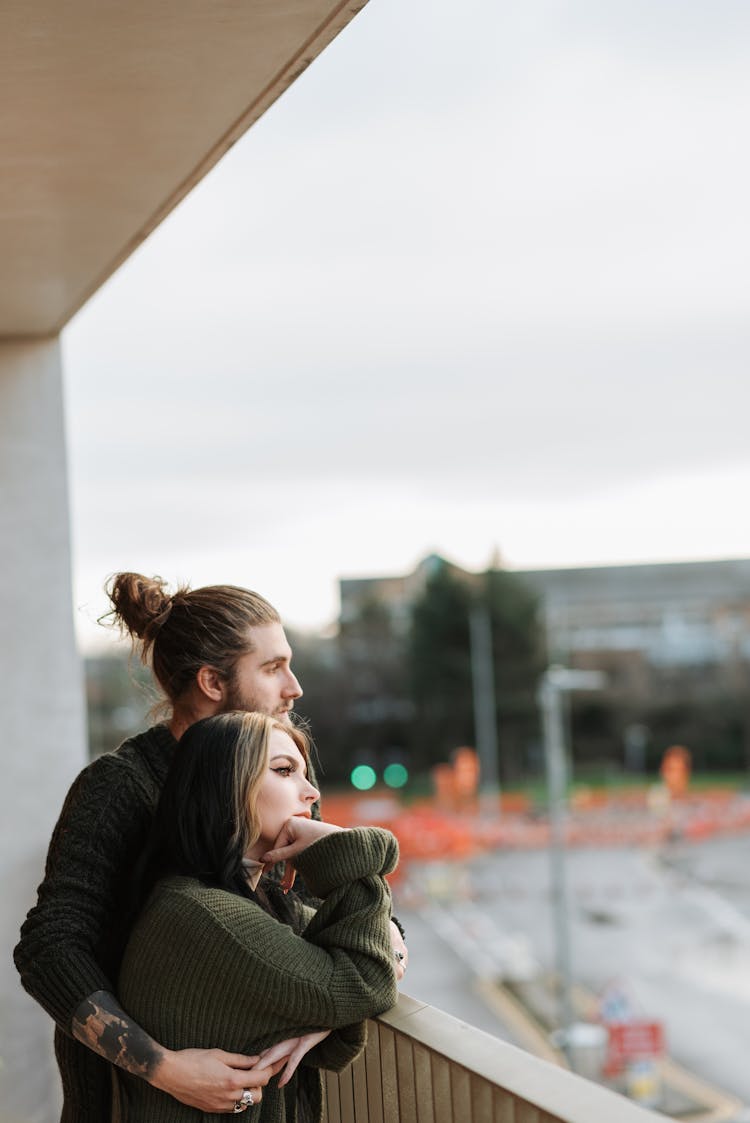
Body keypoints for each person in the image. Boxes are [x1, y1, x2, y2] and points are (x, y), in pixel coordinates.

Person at [14, 573, 408, 1121]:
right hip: (133, 1102)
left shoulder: (279, 774)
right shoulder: (119, 787)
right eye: (272, 668)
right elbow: (49, 948)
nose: (294, 687)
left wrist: (331, 1006)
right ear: (212, 683)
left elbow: (340, 912)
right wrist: (163, 1067)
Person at [116, 710, 399, 1121]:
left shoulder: (256, 903)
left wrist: (326, 1019)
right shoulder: (205, 916)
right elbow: (366, 980)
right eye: (285, 771)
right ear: (226, 787)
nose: (311, 793)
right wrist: (342, 847)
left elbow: (369, 960)